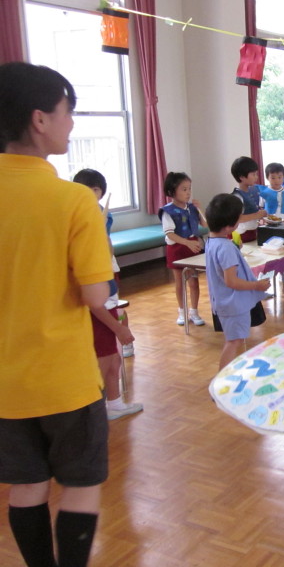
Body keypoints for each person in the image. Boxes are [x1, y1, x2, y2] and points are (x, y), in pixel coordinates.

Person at [0, 61, 113, 567]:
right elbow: (94, 294)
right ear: (39, 118)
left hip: (6, 382)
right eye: (68, 111)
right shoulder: (73, 199)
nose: (71, 123)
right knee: (81, 487)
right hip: (64, 379)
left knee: (26, 487)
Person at [72, 169, 142, 420]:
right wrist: (119, 328)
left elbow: (107, 251)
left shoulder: (102, 221)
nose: (91, 196)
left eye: (95, 191)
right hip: (100, 306)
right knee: (106, 359)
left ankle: (114, 403)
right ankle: (101, 408)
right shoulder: (78, 228)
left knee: (112, 358)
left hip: (108, 296)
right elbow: (93, 302)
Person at [204, 194, 272, 369]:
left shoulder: (213, 241)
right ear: (230, 226)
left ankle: (235, 373)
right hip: (233, 304)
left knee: (237, 340)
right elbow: (231, 281)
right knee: (234, 342)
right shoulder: (225, 247)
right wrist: (257, 285)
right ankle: (221, 379)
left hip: (226, 302)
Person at [160, 171, 207, 326]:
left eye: (189, 189)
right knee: (180, 282)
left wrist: (200, 209)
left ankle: (194, 311)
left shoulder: (192, 208)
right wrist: (187, 242)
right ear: (172, 191)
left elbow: (205, 224)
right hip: (177, 248)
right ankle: (182, 312)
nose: (188, 193)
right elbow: (170, 234)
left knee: (194, 281)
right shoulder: (168, 211)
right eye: (184, 189)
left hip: (192, 247)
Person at [230, 156, 268, 243]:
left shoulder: (254, 189)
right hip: (241, 235)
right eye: (253, 174)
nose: (256, 177)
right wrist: (256, 215)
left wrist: (261, 214)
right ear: (242, 177)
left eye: (256, 174)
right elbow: (237, 218)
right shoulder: (237, 196)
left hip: (253, 232)